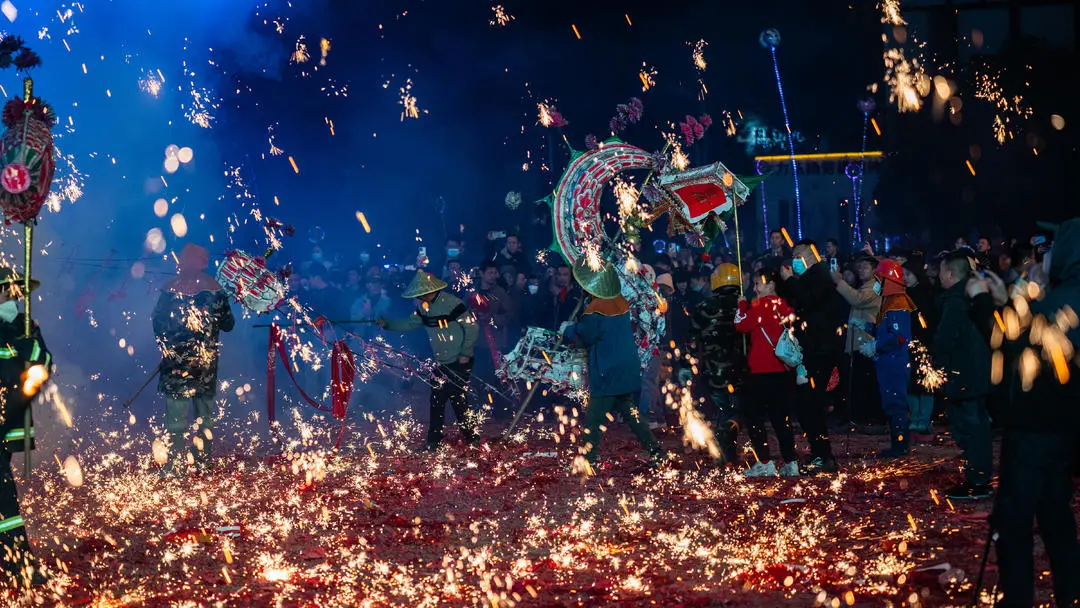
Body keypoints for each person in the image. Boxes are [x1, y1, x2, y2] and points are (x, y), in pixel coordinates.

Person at [993, 218, 1080, 607]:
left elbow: (1011, 361)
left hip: (1037, 430)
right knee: (1057, 516)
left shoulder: (1056, 304)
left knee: (1015, 523)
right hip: (1064, 433)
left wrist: (996, 306)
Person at [562, 258, 662, 469]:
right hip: (626, 368)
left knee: (594, 418)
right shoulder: (620, 301)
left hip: (607, 371)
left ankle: (587, 461)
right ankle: (656, 452)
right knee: (632, 416)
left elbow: (587, 336)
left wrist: (568, 329)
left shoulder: (594, 309)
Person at [152, 244, 236, 476]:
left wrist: (170, 347)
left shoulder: (169, 291)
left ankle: (177, 464)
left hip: (176, 364)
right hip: (204, 364)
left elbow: (158, 324)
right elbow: (228, 325)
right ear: (203, 263)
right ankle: (201, 461)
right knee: (203, 417)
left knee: (176, 418)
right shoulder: (214, 290)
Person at [377, 270, 481, 450]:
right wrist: (388, 324)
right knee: (437, 400)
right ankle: (436, 441)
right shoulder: (423, 308)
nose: (416, 298)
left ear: (427, 291)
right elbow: (408, 324)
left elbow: (472, 328)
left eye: (419, 294)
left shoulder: (452, 303)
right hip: (441, 362)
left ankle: (471, 439)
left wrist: (466, 353)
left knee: (457, 400)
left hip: (459, 360)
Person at [0, 268, 51, 587]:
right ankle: (19, 563)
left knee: (3, 492)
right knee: (4, 495)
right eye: (7, 291)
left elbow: (45, 363)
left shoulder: (26, 325)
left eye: (16, 293)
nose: (12, 297)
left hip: (9, 422)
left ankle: (17, 561)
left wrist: (29, 347)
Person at [779, 240, 845, 474]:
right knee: (805, 404)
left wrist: (789, 281)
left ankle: (824, 455)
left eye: (798, 255)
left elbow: (807, 299)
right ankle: (819, 452)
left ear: (810, 254)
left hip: (821, 349)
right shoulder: (809, 277)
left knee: (810, 404)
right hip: (810, 348)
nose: (795, 260)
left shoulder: (821, 275)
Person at [934, 251, 993, 499]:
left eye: (940, 272)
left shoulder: (956, 300)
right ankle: (977, 476)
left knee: (970, 427)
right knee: (975, 423)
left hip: (966, 373)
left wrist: (938, 361)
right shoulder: (969, 297)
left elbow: (946, 338)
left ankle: (977, 481)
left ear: (950, 273)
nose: (938, 277)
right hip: (976, 371)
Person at [734, 269, 800, 477]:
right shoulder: (783, 305)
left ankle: (764, 461)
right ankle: (790, 461)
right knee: (781, 418)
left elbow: (740, 325)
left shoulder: (759, 305)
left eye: (757, 284)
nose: (754, 288)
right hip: (782, 369)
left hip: (761, 371)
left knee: (755, 417)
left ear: (770, 285)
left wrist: (741, 306)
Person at [688, 263, 747, 464]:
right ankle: (729, 452)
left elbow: (691, 340)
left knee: (723, 410)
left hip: (714, 369)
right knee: (737, 410)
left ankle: (724, 454)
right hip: (742, 367)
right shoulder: (745, 305)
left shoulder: (704, 307)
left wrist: (688, 363)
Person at [864, 259, 916, 458]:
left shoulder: (897, 303)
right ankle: (898, 444)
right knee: (892, 404)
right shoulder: (890, 301)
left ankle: (900, 447)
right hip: (889, 361)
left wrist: (875, 345)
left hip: (894, 361)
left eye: (878, 278)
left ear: (888, 280)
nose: (875, 282)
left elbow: (899, 336)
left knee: (896, 405)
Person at [833, 255, 882, 427]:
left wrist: (839, 282)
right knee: (857, 381)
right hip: (858, 339)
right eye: (859, 267)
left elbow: (857, 299)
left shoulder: (875, 286)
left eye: (865, 267)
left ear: (874, 269)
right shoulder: (865, 285)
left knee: (867, 381)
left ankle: (871, 417)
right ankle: (858, 415)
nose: (861, 270)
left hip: (867, 341)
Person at [469, 260, 515, 398]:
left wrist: (491, 318)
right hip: (476, 342)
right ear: (482, 273)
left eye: (495, 273)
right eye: (490, 273)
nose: (493, 276)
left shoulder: (500, 293)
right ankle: (479, 406)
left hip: (496, 343)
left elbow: (510, 315)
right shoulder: (472, 291)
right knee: (477, 375)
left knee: (497, 377)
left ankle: (498, 409)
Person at [525, 261, 582, 332]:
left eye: (566, 274)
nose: (562, 278)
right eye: (559, 274)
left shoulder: (574, 299)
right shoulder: (539, 298)